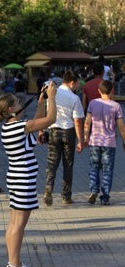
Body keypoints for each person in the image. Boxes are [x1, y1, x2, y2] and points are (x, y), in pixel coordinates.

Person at [0, 82, 58, 267]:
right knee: (19, 224)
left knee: (15, 222)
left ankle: (14, 261)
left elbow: (35, 122)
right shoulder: (20, 126)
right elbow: (49, 119)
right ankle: (14, 264)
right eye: (18, 101)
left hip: (17, 176)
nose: (22, 103)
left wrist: (40, 100)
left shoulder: (11, 127)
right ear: (12, 109)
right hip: (23, 178)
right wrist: (52, 97)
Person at [41, 71, 84, 206]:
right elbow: (77, 121)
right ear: (72, 83)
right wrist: (80, 140)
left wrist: (41, 130)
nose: (77, 87)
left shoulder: (52, 93)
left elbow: (44, 111)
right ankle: (66, 196)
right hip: (68, 132)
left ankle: (48, 189)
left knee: (51, 163)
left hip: (53, 131)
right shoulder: (74, 98)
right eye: (76, 84)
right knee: (68, 165)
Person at [83, 80, 125, 206]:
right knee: (107, 170)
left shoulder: (92, 103)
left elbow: (87, 122)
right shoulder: (116, 106)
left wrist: (85, 137)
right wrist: (124, 140)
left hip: (95, 141)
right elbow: (121, 126)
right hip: (109, 142)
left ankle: (93, 190)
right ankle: (105, 196)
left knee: (94, 166)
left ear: (99, 91)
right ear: (112, 90)